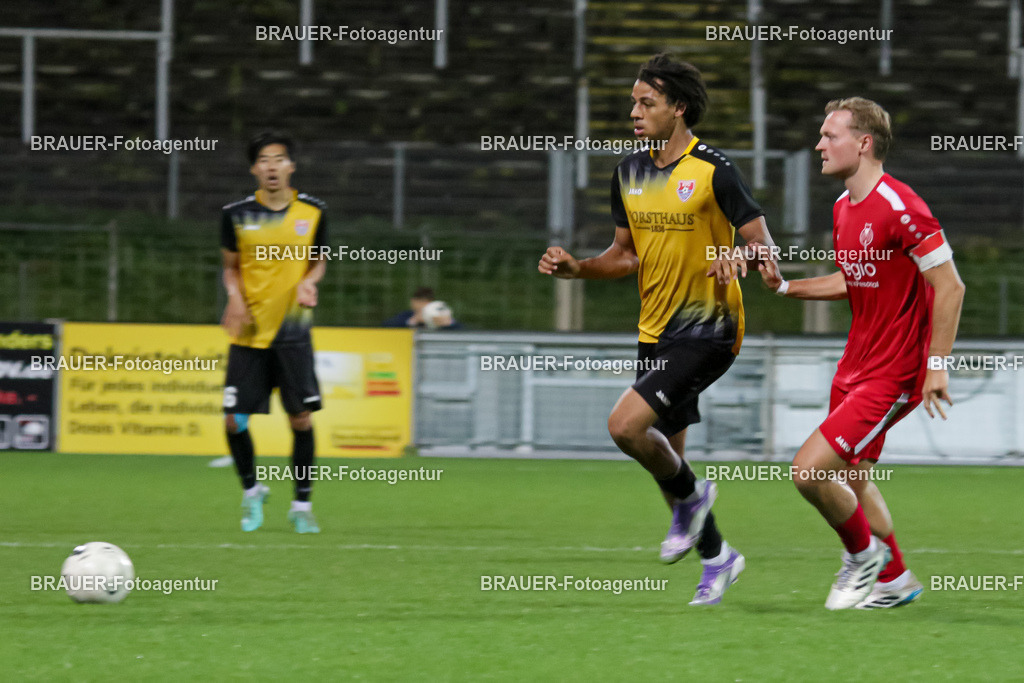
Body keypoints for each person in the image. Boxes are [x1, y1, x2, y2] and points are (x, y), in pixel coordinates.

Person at [538, 53, 777, 605]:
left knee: (625, 428)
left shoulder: (715, 170)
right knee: (666, 459)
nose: (634, 112)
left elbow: (764, 246)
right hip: (655, 330)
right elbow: (624, 256)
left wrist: (739, 257)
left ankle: (695, 504)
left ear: (679, 108)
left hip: (711, 327)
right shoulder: (628, 172)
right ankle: (718, 557)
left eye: (647, 102)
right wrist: (578, 268)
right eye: (633, 102)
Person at [759, 97, 965, 609]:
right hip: (854, 366)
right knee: (855, 479)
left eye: (830, 135)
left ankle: (861, 557)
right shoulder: (842, 208)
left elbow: (951, 285)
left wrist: (936, 364)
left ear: (864, 143)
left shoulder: (901, 206)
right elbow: (854, 281)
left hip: (894, 373)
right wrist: (788, 288)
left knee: (809, 471)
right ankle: (896, 582)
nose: (819, 144)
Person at [220, 131, 328, 534]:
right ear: (254, 169)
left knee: (300, 419)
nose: (271, 166)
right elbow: (231, 267)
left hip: (293, 332)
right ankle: (252, 492)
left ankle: (301, 504)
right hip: (248, 333)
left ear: (291, 166)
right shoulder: (236, 214)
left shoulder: (313, 212)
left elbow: (318, 261)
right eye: (263, 160)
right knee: (235, 420)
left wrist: (310, 281)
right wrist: (233, 296)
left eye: (279, 159)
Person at [382, 286, 461, 329]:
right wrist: (413, 321)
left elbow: (464, 332)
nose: (422, 305)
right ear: (412, 302)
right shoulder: (406, 316)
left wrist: (449, 323)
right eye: (419, 301)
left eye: (425, 301)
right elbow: (385, 326)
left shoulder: (441, 315)